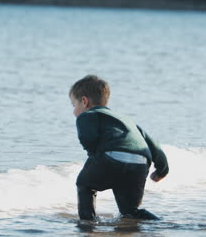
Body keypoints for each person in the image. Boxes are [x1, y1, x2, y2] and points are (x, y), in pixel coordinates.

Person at [69, 75, 169, 221]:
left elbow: (88, 140)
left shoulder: (87, 115)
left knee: (85, 184)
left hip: (111, 159)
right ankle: (162, 224)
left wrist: (95, 157)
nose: (74, 111)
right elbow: (154, 146)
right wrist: (162, 169)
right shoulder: (126, 120)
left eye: (74, 105)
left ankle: (87, 224)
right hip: (140, 163)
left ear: (84, 101)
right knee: (130, 211)